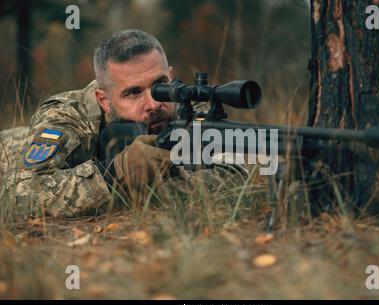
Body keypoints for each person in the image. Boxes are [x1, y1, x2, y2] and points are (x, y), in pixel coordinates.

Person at [0, 29, 247, 221]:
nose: (153, 103)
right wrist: (117, 173)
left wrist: (145, 187)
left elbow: (235, 172)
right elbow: (18, 196)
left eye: (160, 84)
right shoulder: (65, 115)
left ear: (170, 75)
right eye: (133, 93)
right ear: (104, 99)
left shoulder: (185, 103)